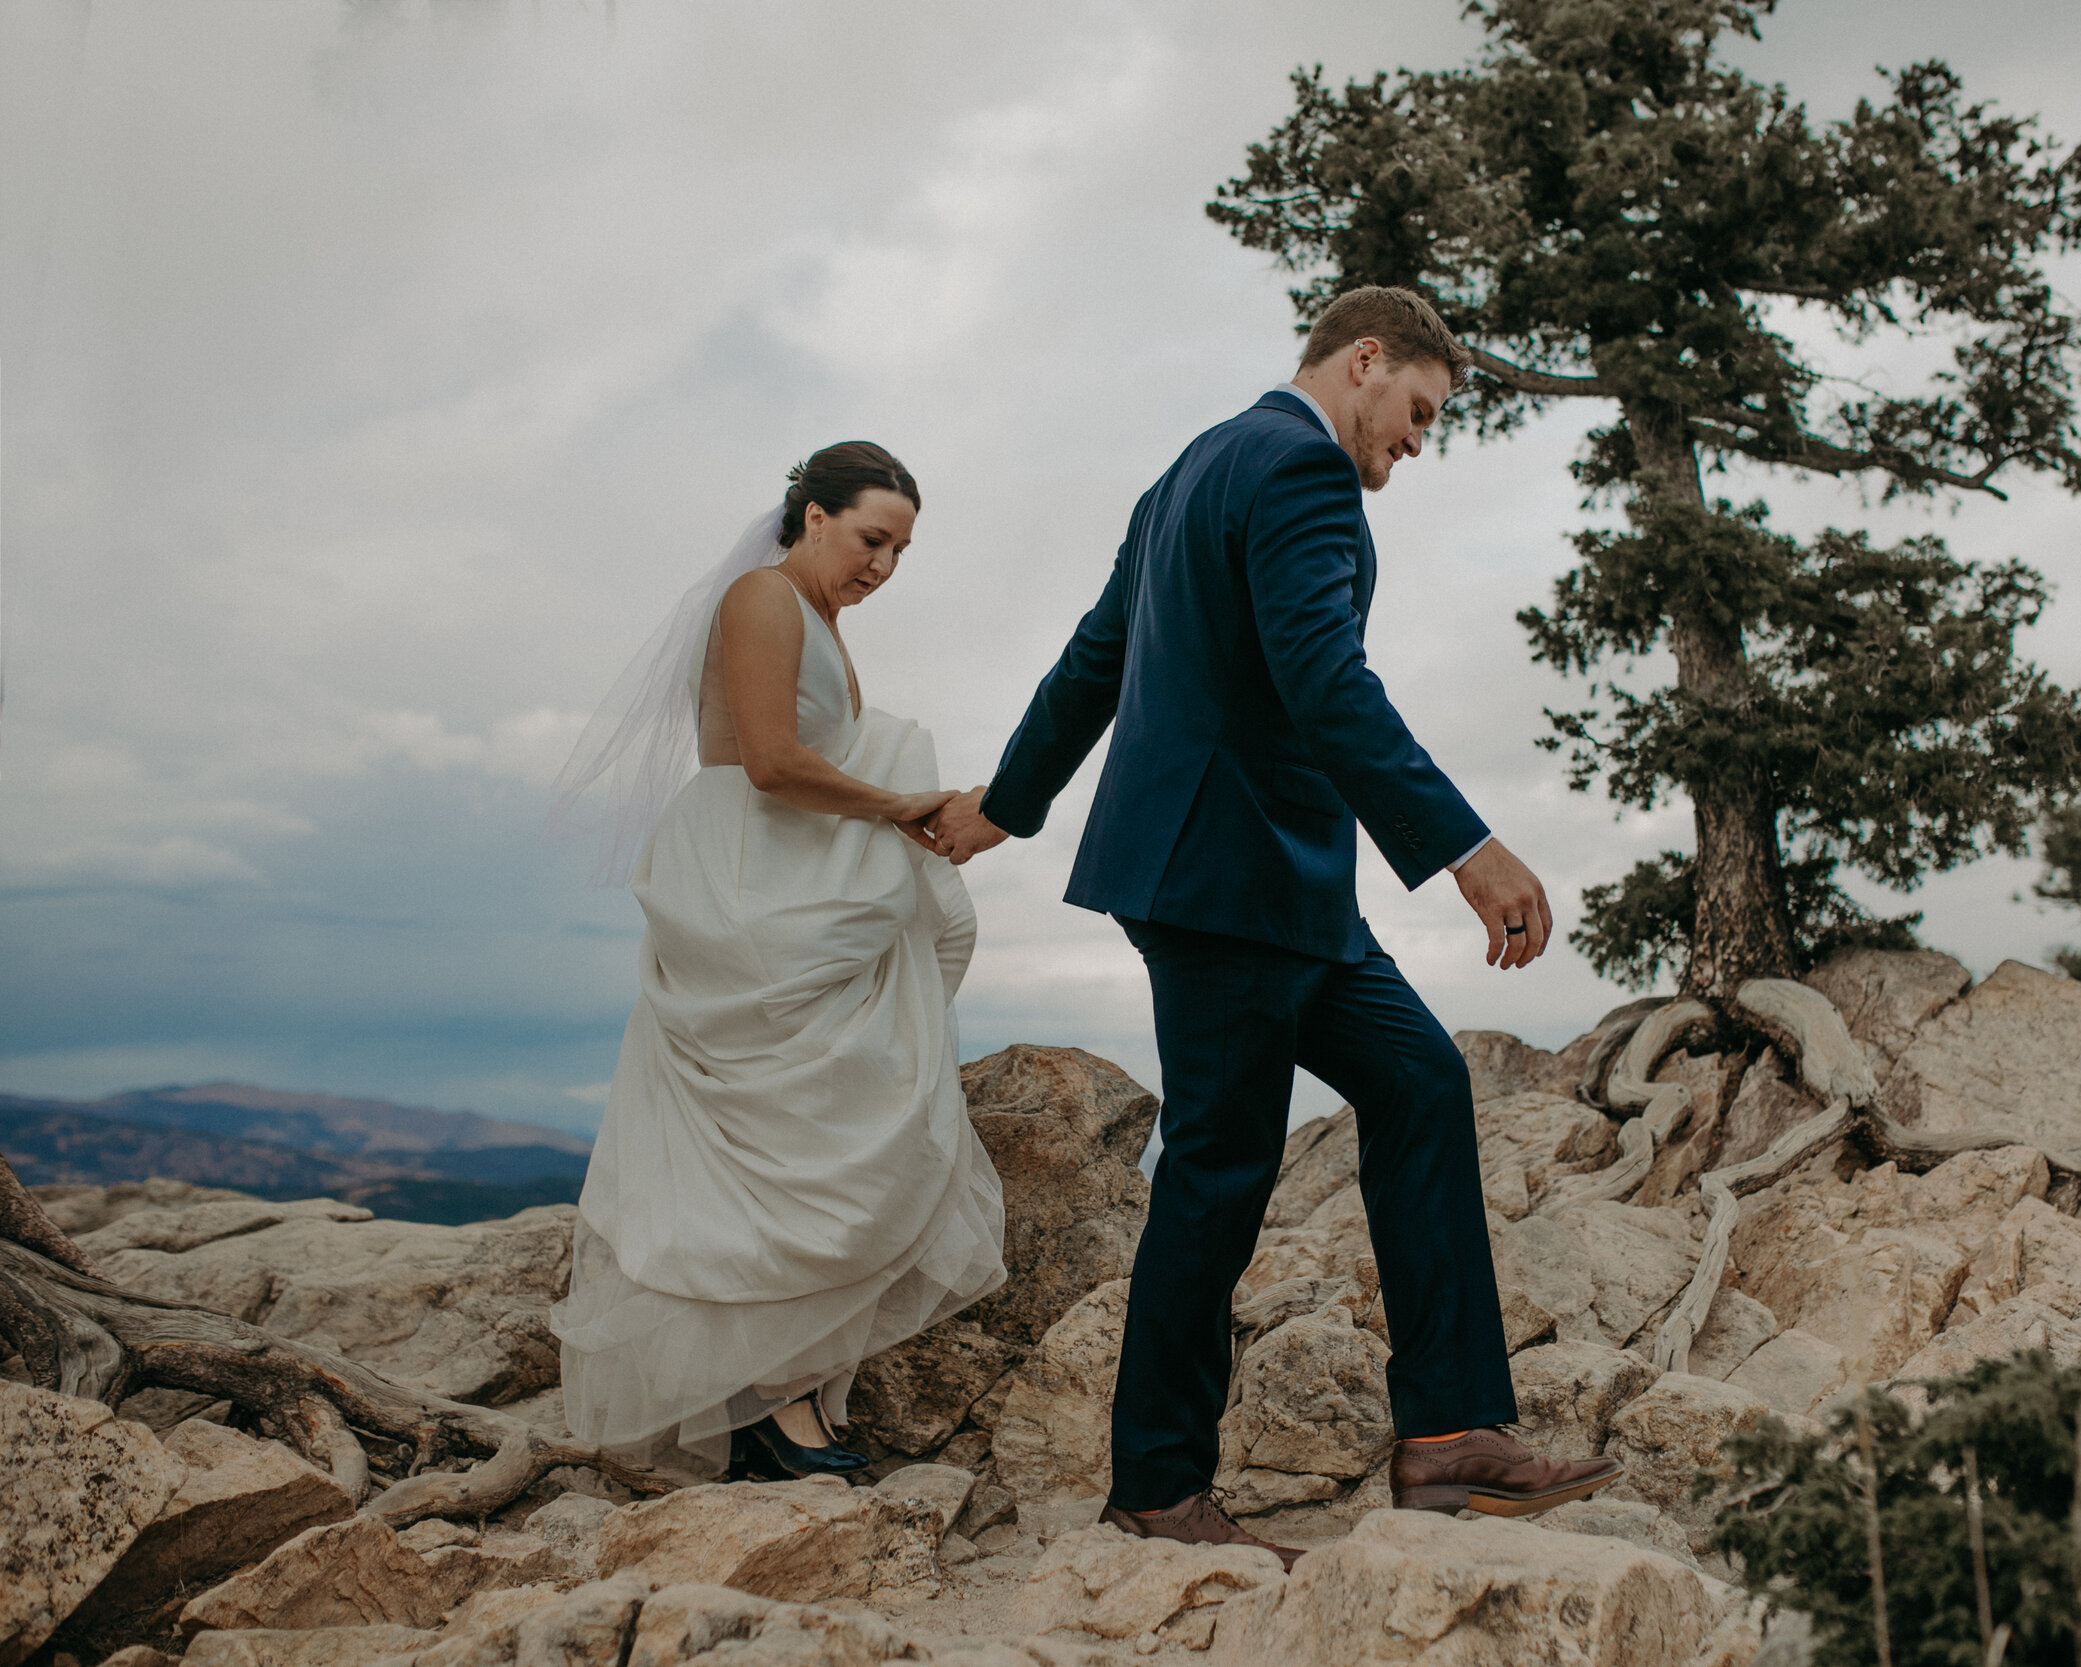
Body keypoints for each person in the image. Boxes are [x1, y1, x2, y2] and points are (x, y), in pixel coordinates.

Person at [927, 288, 1621, 1565]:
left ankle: (1451, 1436)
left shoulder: (1190, 466)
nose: (1416, 443)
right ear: (1364, 360)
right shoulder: (1302, 468)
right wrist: (1468, 848)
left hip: (1277, 886)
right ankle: (1156, 1484)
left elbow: (1097, 654)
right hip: (1225, 878)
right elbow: (1322, 676)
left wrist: (1007, 807)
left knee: (1419, 1081)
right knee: (1220, 1169)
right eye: (1416, 412)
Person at [547, 443, 1005, 1478]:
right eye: (870, 537)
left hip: (787, 865)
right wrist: (905, 805)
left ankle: (779, 1391)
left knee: (812, 1127)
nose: (884, 565)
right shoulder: (762, 596)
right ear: (809, 516)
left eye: (901, 549)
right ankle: (764, 1401)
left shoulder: (826, 624)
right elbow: (767, 759)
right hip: (750, 875)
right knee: (773, 1135)